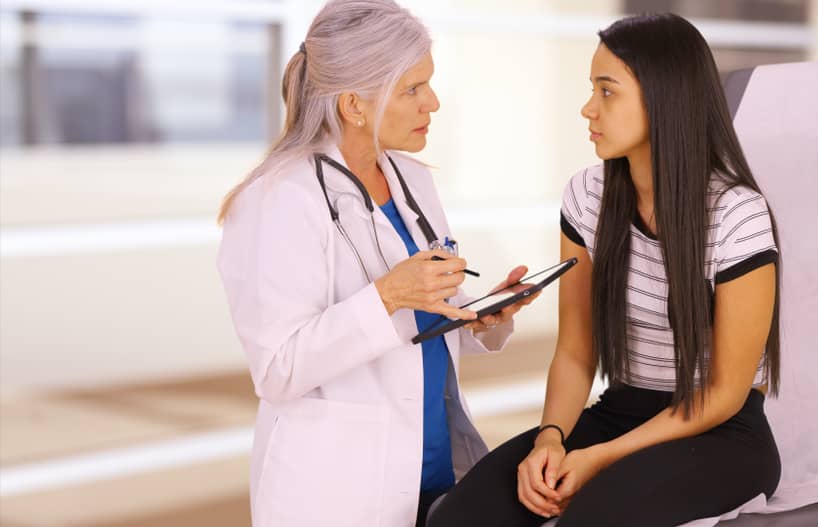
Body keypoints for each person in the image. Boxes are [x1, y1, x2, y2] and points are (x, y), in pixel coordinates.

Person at [430, 13, 782, 527]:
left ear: (664, 99)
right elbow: (576, 350)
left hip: (721, 433)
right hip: (619, 411)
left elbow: (727, 393)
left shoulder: (737, 215)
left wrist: (602, 457)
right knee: (463, 517)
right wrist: (551, 437)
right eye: (591, 89)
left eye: (607, 91)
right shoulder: (587, 195)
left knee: (589, 519)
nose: (587, 108)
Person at [215, 1, 537, 526]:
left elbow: (417, 330)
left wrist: (477, 317)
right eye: (412, 89)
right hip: (338, 488)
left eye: (429, 84)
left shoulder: (413, 179)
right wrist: (388, 295)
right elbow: (278, 369)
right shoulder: (278, 198)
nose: (432, 103)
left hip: (433, 470)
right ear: (353, 105)